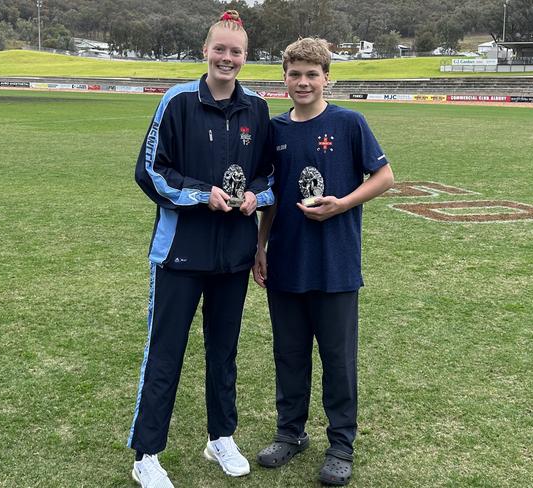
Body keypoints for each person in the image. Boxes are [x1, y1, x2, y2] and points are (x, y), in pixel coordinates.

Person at [128, 10, 274, 487]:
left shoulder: (256, 108)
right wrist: (198, 193)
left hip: (233, 256)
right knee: (165, 354)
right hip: (179, 256)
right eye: (219, 49)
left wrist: (256, 195)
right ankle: (146, 454)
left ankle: (221, 437)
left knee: (224, 352)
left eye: (236, 52)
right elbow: (149, 170)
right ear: (205, 51)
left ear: (245, 58)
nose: (226, 58)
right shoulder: (177, 101)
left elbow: (269, 175)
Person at [252, 37, 394, 486]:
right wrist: (260, 245)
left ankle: (340, 445)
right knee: (289, 356)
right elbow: (272, 196)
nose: (303, 82)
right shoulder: (275, 130)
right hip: (286, 263)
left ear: (327, 78)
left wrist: (343, 203)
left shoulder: (350, 122)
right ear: (284, 78)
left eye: (312, 74)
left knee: (337, 360)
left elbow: (385, 177)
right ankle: (290, 434)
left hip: (335, 265)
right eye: (295, 74)